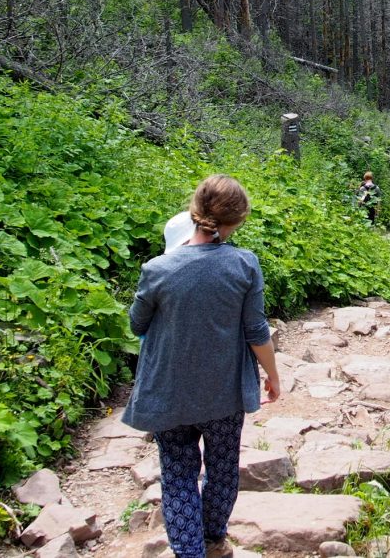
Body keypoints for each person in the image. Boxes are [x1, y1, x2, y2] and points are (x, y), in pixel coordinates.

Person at [122, 175, 281, 558]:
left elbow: (136, 324)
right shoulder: (244, 264)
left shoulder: (157, 268)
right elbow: (256, 330)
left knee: (177, 474)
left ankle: (188, 552)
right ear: (239, 219)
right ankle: (213, 540)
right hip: (223, 394)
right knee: (223, 469)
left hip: (167, 393)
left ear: (194, 212)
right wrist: (272, 377)